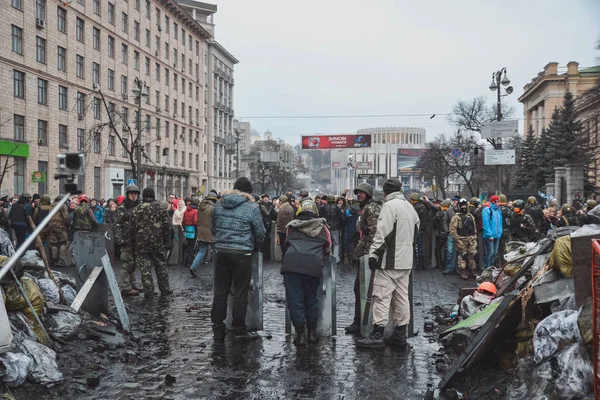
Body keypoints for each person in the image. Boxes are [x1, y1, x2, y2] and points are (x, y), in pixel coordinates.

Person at [356, 178, 419, 349]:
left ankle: (377, 335)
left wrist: (374, 255)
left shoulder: (389, 207)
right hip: (406, 260)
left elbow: (382, 234)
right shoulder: (409, 206)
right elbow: (416, 231)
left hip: (389, 261)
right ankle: (400, 334)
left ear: (386, 191)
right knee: (401, 297)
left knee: (381, 296)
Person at [211, 177, 266, 342]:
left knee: (220, 291)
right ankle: (239, 329)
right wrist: (254, 245)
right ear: (249, 192)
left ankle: (218, 329)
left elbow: (213, 227)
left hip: (221, 252)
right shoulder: (251, 207)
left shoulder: (219, 204)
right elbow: (260, 232)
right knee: (240, 293)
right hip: (241, 254)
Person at [282, 201, 331, 346]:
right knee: (311, 298)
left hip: (291, 265)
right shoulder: (323, 227)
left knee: (295, 299)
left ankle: (300, 335)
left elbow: (286, 243)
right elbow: (328, 247)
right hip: (313, 266)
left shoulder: (291, 226)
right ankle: (312, 333)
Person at [345, 183, 381, 334]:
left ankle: (362, 322)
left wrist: (369, 254)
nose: (358, 195)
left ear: (368, 194)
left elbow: (373, 232)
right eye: (357, 192)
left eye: (361, 193)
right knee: (359, 288)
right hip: (365, 252)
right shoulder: (365, 207)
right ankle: (359, 320)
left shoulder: (371, 208)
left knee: (364, 289)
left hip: (369, 255)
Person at [131, 188, 172, 298]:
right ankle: (165, 289)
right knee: (161, 265)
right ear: (153, 196)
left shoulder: (136, 209)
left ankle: (149, 291)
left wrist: (135, 240)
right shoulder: (160, 208)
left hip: (141, 244)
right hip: (157, 242)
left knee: (145, 269)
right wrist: (166, 239)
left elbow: (132, 227)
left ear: (143, 196)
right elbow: (167, 225)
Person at [114, 184, 142, 296]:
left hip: (137, 239)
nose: (134, 196)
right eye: (131, 193)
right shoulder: (122, 208)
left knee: (133, 263)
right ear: (128, 194)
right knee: (127, 263)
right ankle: (125, 287)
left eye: (135, 193)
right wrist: (119, 239)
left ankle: (132, 283)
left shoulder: (139, 206)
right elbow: (117, 225)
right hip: (126, 240)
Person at [189, 191, 218, 277]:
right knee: (217, 252)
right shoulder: (213, 208)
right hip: (211, 233)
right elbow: (215, 221)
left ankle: (193, 267)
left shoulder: (201, 207)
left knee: (201, 250)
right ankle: (218, 270)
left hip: (201, 233)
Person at [449, 199, 478, 280]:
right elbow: (452, 230)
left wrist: (474, 236)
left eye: (465, 206)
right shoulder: (456, 217)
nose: (464, 207)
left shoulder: (471, 216)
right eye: (462, 206)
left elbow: (474, 228)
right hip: (462, 239)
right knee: (463, 256)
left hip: (471, 239)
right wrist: (458, 239)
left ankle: (473, 270)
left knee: (472, 255)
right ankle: (462, 271)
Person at [320, 194, 346, 263]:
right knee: (336, 243)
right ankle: (336, 258)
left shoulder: (323, 207)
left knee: (329, 243)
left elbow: (320, 217)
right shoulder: (337, 207)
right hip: (336, 227)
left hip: (326, 227)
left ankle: (329, 257)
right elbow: (342, 218)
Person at [47, 196, 70, 267]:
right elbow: (66, 217)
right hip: (60, 226)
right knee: (63, 242)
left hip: (51, 226)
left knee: (54, 243)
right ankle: (62, 260)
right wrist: (68, 224)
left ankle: (54, 259)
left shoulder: (51, 206)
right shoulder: (62, 205)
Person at [409, 193, 430, 269]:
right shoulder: (422, 207)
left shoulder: (415, 208)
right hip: (421, 230)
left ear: (413, 200)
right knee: (420, 247)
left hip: (417, 230)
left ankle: (419, 264)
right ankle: (421, 264)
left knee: (418, 248)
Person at [481, 195, 503, 269]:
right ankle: (487, 268)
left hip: (497, 235)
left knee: (495, 253)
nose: (498, 203)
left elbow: (500, 223)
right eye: (497, 201)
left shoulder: (498, 210)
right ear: (493, 202)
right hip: (490, 236)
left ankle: (491, 268)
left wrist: (500, 232)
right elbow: (485, 224)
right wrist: (489, 235)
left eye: (499, 201)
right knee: (490, 253)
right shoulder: (487, 210)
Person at [442, 196, 459, 275]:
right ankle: (449, 268)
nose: (454, 202)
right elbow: (445, 221)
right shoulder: (449, 211)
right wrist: (447, 230)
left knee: (459, 251)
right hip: (451, 233)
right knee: (450, 251)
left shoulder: (461, 210)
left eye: (456, 201)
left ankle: (457, 268)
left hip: (459, 234)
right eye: (453, 201)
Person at [182, 197, 200, 269]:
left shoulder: (186, 211)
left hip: (187, 230)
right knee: (192, 247)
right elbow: (195, 221)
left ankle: (185, 262)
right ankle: (190, 263)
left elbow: (183, 222)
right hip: (193, 230)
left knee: (188, 246)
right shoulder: (195, 211)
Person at [433, 199, 450, 270]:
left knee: (438, 249)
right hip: (447, 234)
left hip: (439, 234)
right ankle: (445, 265)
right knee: (447, 250)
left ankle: (439, 265)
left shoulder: (438, 213)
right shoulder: (450, 213)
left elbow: (434, 222)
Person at [259, 194, 275, 261]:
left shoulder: (271, 206)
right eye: (264, 198)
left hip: (268, 224)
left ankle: (266, 255)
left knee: (267, 240)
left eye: (267, 197)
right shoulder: (260, 206)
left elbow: (273, 215)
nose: (266, 199)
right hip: (261, 224)